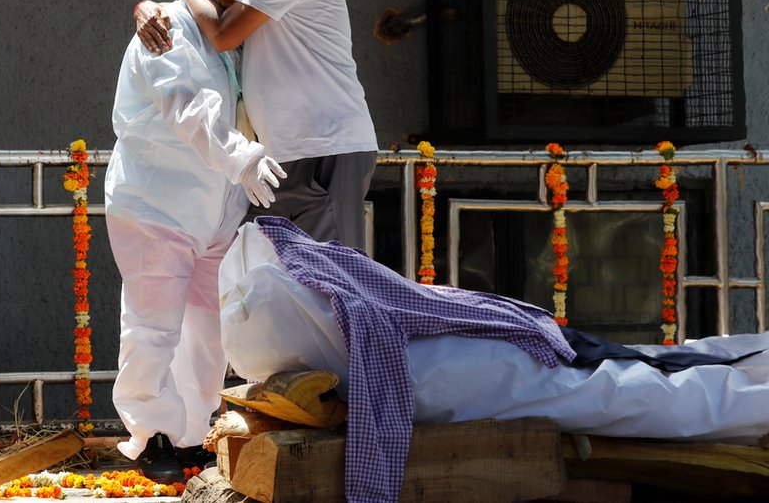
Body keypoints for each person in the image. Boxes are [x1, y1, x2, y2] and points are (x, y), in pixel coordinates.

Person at [220, 216, 769, 502]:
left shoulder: (357, 332)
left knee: (630, 387)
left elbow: (380, 428)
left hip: (485, 363)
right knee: (633, 379)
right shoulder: (349, 326)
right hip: (482, 361)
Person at [104, 0, 286, 484]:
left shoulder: (224, 37)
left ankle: (192, 436)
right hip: (155, 202)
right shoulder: (164, 32)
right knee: (153, 325)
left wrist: (239, 173)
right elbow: (190, 112)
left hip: (214, 209)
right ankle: (152, 434)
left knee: (207, 328)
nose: (239, 1)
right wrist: (244, 158)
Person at [135, 0, 378, 251]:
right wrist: (147, 7)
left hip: (323, 147)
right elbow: (201, 18)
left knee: (334, 285)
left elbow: (222, 32)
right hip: (286, 154)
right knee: (275, 286)